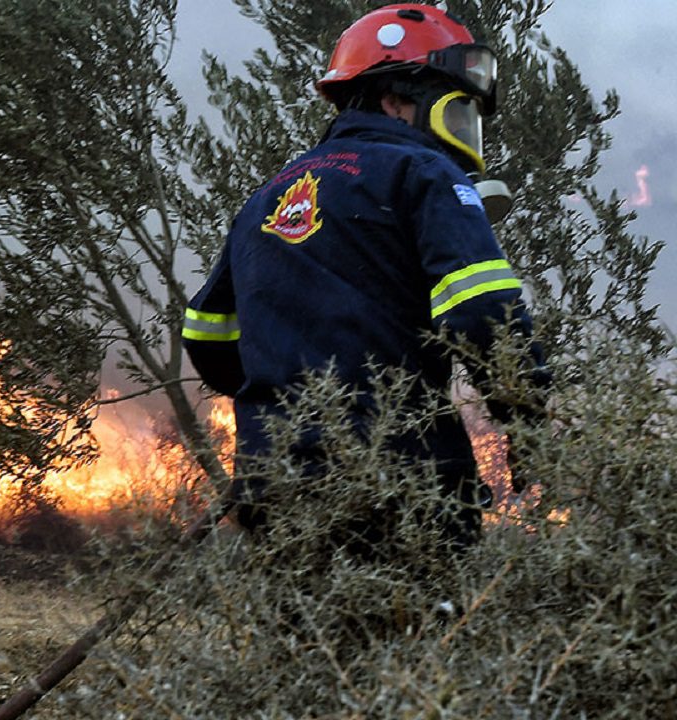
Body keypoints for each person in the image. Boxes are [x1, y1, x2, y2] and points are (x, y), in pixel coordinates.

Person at [182, 4, 548, 551]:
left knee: (299, 609)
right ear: (395, 100)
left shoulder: (268, 197)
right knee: (425, 609)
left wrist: (286, 401)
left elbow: (206, 333)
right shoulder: (424, 173)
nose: (462, 130)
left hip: (274, 484)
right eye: (454, 108)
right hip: (403, 482)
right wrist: (527, 421)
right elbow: (483, 312)